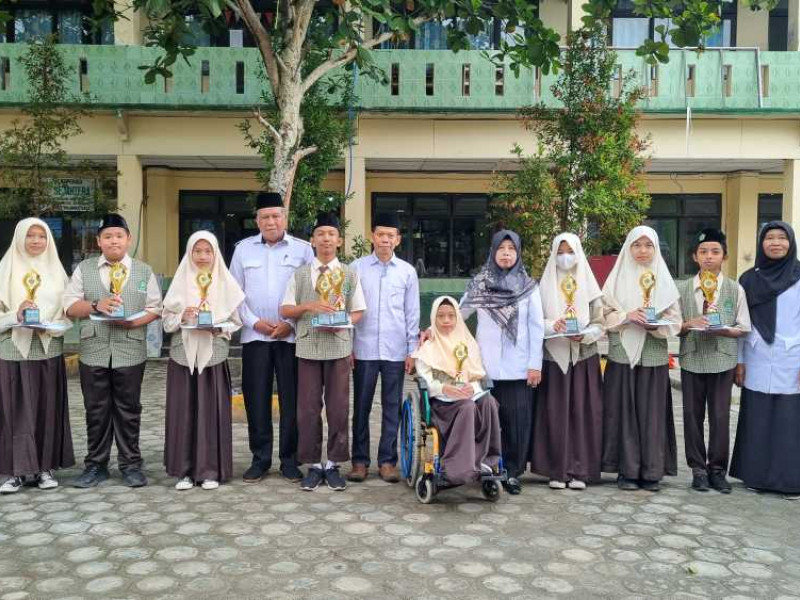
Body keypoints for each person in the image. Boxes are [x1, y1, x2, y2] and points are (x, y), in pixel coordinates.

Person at [64, 213, 162, 488]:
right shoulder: (84, 269)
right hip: (93, 348)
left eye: (119, 236)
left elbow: (155, 308)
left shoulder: (143, 271)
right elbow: (70, 306)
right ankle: (96, 466)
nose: (113, 241)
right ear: (99, 241)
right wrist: (96, 305)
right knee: (96, 409)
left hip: (130, 349)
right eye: (107, 236)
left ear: (128, 239)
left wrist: (133, 322)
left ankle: (131, 465)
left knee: (129, 409)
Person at [230, 191, 314, 483]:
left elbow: (310, 292)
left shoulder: (303, 250)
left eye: (276, 216)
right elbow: (235, 294)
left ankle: (290, 460)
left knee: (292, 400)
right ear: (257, 220)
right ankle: (260, 459)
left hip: (291, 338)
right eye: (264, 217)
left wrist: (290, 323)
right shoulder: (243, 250)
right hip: (255, 337)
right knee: (256, 399)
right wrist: (255, 323)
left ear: (284, 218)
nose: (270, 221)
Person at [280, 211, 366, 491]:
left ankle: (334, 464)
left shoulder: (349, 274)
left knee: (338, 408)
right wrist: (309, 306)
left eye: (331, 234)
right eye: (321, 234)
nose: (326, 239)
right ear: (312, 240)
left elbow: (358, 311)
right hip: (308, 347)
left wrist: (342, 322)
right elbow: (285, 309)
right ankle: (313, 464)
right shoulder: (301, 274)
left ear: (339, 241)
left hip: (338, 347)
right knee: (307, 409)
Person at [459, 230, 542, 495]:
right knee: (488, 422)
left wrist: (535, 365)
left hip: (519, 368)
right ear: (493, 252)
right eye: (501, 248)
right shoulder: (480, 284)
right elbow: (458, 314)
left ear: (518, 253)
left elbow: (536, 327)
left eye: (512, 249)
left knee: (517, 423)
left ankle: (513, 473)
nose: (506, 253)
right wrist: (432, 331)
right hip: (486, 367)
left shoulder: (529, 287)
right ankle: (488, 469)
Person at [162, 231, 245, 491]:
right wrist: (182, 316)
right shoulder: (180, 281)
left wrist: (218, 327)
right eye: (197, 251)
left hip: (213, 355)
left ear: (215, 253)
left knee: (211, 411)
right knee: (183, 411)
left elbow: (235, 322)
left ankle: (210, 470)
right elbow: (166, 322)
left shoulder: (224, 282)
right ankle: (184, 471)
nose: (202, 256)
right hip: (183, 355)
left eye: (208, 251)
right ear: (189, 253)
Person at [601, 225, 681, 492]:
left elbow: (675, 321)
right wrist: (626, 316)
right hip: (622, 354)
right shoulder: (615, 279)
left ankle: (652, 471)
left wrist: (655, 325)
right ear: (628, 247)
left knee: (651, 414)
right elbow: (603, 315)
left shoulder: (664, 280)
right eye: (637, 245)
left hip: (653, 354)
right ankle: (627, 471)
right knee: (623, 412)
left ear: (656, 249)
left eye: (648, 245)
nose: (643, 251)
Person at [0, 218, 74, 494]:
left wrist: (48, 325)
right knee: (15, 410)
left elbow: (66, 315)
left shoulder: (57, 272)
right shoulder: (4, 270)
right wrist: (15, 315)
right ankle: (14, 472)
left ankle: (45, 468)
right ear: (19, 237)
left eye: (42, 236)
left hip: (47, 347)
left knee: (46, 407)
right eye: (30, 235)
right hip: (12, 347)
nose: (35, 241)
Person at [677, 228, 750, 494]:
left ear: (724, 256)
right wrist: (689, 323)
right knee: (691, 416)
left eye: (715, 251)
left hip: (722, 359)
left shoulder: (734, 288)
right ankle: (698, 470)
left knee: (720, 416)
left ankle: (717, 470)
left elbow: (743, 327)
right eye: (703, 251)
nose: (709, 256)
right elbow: (674, 326)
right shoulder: (683, 288)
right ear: (694, 256)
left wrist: (724, 330)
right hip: (692, 358)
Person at [349, 213, 420, 483]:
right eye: (380, 234)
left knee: (392, 407)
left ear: (398, 240)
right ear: (372, 236)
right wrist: (349, 347)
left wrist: (412, 350)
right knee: (361, 407)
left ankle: (388, 461)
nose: (385, 240)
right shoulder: (356, 268)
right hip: (363, 348)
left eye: (391, 235)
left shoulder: (407, 272)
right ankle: (359, 462)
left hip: (395, 350)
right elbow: (348, 309)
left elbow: (412, 313)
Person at [732, 221, 800, 500]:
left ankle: (790, 481)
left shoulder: (799, 275)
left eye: (782, 238)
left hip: (791, 357)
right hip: (756, 355)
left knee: (789, 420)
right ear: (761, 244)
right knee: (757, 418)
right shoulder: (749, 279)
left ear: (791, 243)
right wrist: (739, 361)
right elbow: (740, 324)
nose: (775, 243)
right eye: (769, 237)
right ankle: (756, 476)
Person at [532, 233, 605, 491]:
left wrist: (585, 334)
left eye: (570, 251)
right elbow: (535, 321)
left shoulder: (591, 287)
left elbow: (600, 324)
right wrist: (553, 325)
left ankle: (580, 470)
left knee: (582, 413)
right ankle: (557, 469)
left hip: (583, 357)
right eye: (560, 252)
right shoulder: (542, 287)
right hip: (554, 356)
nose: (565, 257)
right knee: (555, 413)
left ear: (579, 253)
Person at [413, 296, 502, 486]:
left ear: (458, 318)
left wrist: (472, 387)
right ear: (433, 318)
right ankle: (458, 468)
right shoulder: (428, 346)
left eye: (451, 316)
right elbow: (425, 380)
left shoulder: (468, 343)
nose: (446, 320)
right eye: (441, 316)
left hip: (467, 396)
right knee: (467, 407)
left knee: (489, 403)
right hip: (442, 405)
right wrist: (444, 388)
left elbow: (477, 374)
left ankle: (486, 461)